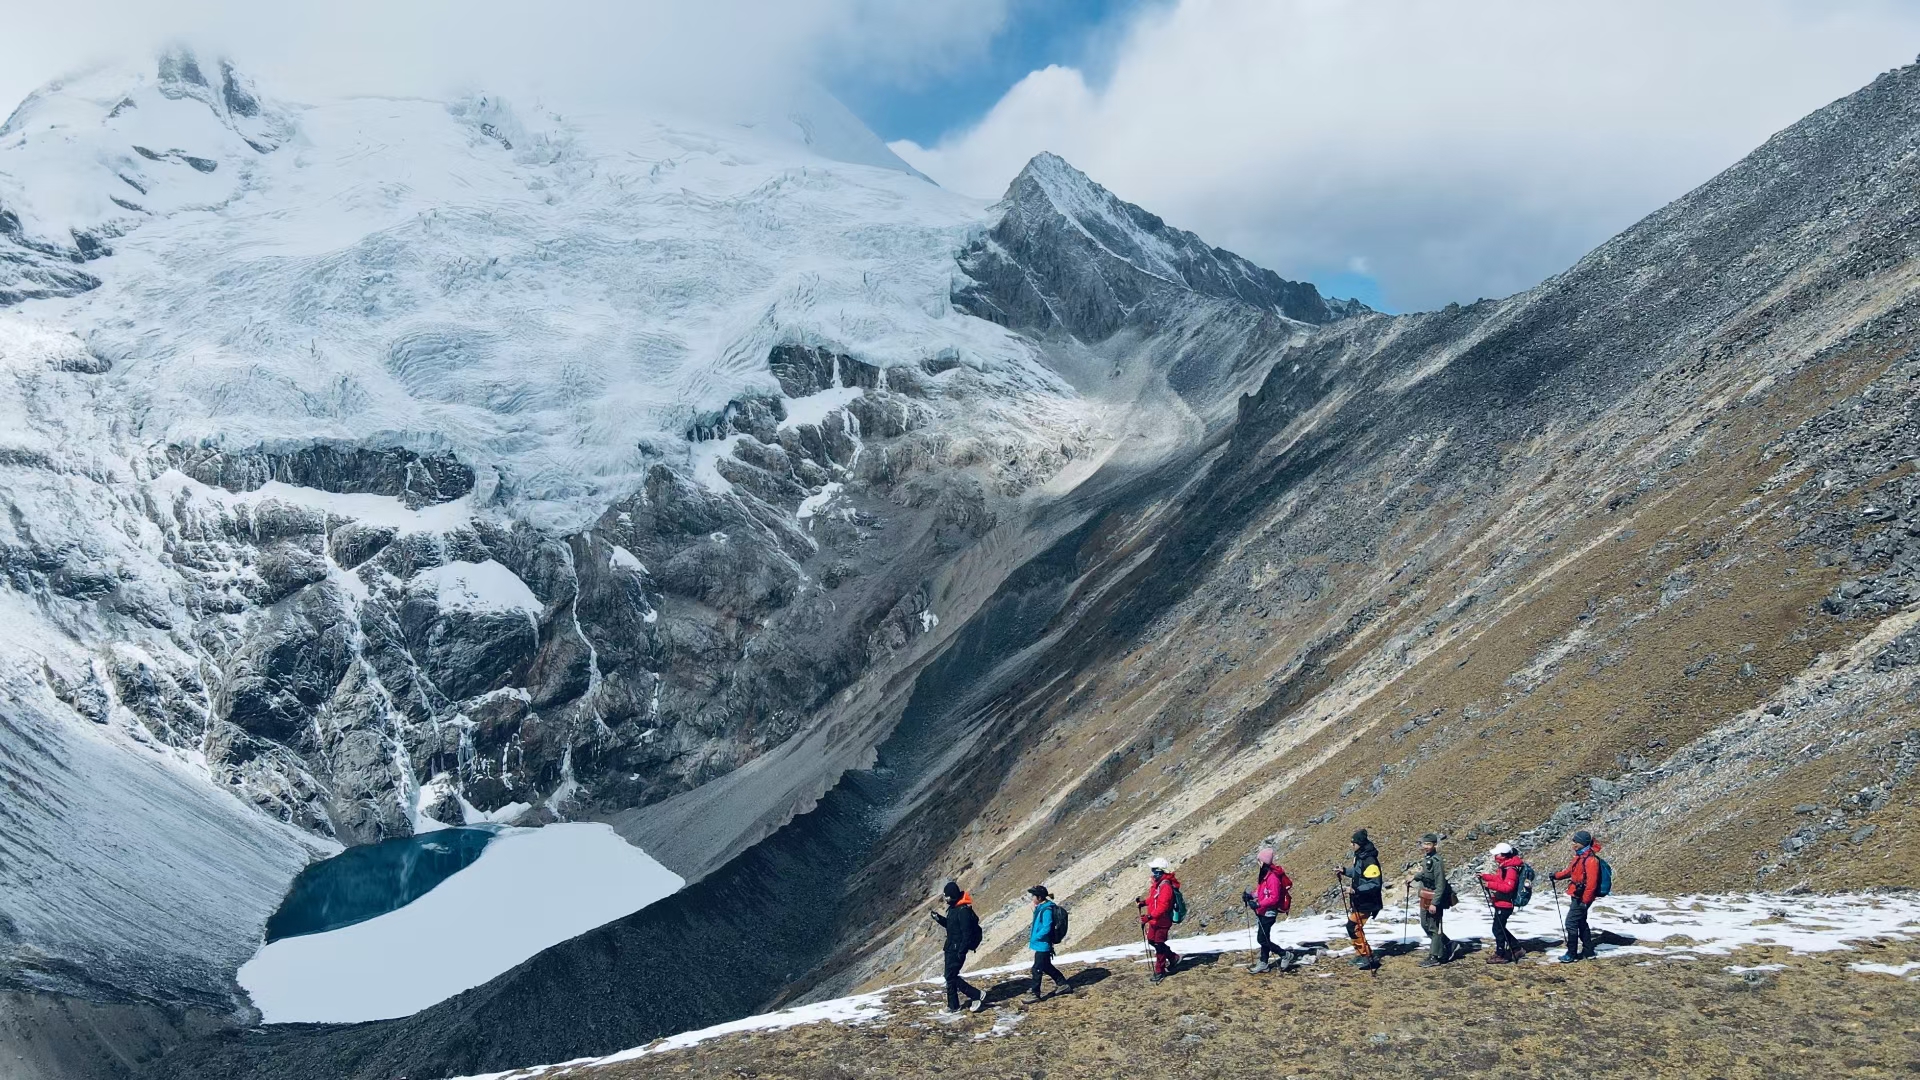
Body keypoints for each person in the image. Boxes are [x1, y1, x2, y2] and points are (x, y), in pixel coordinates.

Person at [930, 880, 985, 1011]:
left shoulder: (963, 911)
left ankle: (976, 994)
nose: (945, 899)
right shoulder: (954, 908)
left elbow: (967, 934)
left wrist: (962, 951)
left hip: (957, 949)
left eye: (946, 896)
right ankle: (953, 1005)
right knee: (949, 977)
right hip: (950, 947)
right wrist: (939, 918)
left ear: (952, 896)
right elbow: (951, 926)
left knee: (951, 976)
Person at [1549, 830, 1603, 963]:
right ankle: (1588, 951)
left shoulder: (1590, 860)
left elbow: (1591, 884)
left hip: (1582, 897)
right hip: (1578, 894)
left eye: (1576, 842)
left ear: (1583, 843)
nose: (1573, 844)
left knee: (1571, 923)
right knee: (1581, 922)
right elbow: (1570, 872)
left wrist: (1585, 901)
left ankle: (1571, 953)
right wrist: (1557, 876)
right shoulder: (1580, 857)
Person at [1405, 832, 1454, 967]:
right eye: (1424, 844)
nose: (1426, 846)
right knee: (1425, 924)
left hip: (1433, 897)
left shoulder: (1437, 862)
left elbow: (1440, 884)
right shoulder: (1427, 858)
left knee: (1434, 927)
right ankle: (1448, 944)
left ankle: (1435, 956)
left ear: (1435, 845)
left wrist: (1435, 903)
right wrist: (1415, 877)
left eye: (1429, 844)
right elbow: (1426, 873)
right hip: (1425, 895)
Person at [1336, 830, 1383, 970]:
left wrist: (1356, 890)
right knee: (1353, 927)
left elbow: (1375, 883)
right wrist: (1344, 871)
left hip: (1367, 902)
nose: (1351, 845)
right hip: (1360, 901)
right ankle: (1362, 954)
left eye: (1354, 842)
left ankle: (1366, 956)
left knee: (1353, 926)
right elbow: (1358, 874)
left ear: (1360, 844)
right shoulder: (1361, 856)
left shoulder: (1370, 860)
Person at [1244, 846, 1292, 973]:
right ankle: (1263, 963)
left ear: (1263, 862)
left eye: (1259, 861)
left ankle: (1284, 954)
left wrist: (1259, 904)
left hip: (1268, 913)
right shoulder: (1265, 875)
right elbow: (1261, 892)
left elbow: (1274, 898)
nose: (1257, 863)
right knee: (1264, 937)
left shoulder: (1272, 878)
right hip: (1263, 911)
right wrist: (1251, 896)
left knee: (1262, 939)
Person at [1136, 858, 1183, 982]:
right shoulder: (1159, 885)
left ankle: (1159, 970)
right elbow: (1154, 900)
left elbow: (1163, 906)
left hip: (1162, 921)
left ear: (1160, 871)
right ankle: (1173, 957)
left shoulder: (1165, 886)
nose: (1152, 873)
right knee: (1152, 940)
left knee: (1158, 944)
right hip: (1155, 920)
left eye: (1154, 870)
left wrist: (1149, 917)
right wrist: (1144, 903)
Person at [1479, 843, 1525, 964]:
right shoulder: (1505, 866)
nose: (1495, 856)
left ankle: (1501, 954)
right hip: (1501, 902)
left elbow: (1508, 887)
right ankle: (1516, 948)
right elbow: (1500, 880)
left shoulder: (1510, 869)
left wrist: (1490, 884)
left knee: (1498, 929)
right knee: (1500, 928)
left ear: (1504, 855)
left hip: (1505, 903)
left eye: (1497, 854)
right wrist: (1485, 877)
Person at [1026, 885, 1073, 1002]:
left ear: (1039, 897)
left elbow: (1047, 927)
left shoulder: (1046, 909)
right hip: (1042, 944)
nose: (1032, 898)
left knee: (1037, 969)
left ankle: (1035, 993)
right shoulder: (1042, 907)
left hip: (1043, 944)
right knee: (1046, 966)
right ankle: (1062, 984)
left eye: (1034, 896)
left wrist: (1037, 936)